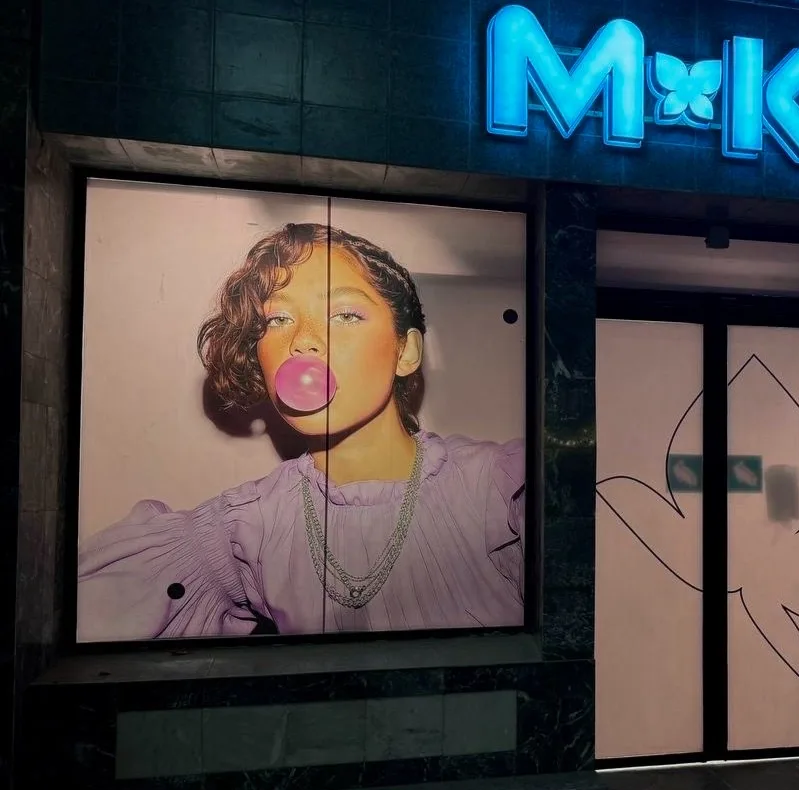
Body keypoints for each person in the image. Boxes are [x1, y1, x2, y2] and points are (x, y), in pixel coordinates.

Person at [77, 223, 525, 641]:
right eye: (277, 320)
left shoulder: (507, 489)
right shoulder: (242, 529)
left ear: (405, 352)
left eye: (345, 314)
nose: (302, 341)